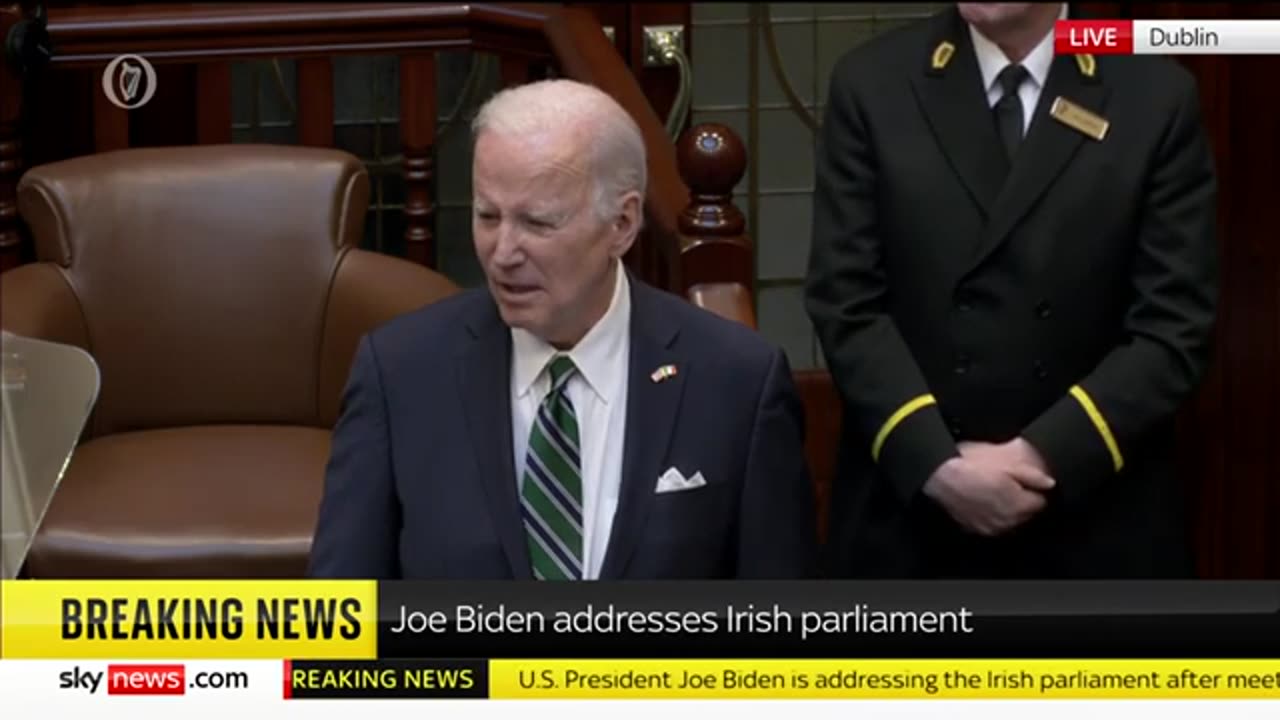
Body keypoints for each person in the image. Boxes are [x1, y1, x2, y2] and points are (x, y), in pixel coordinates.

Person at [309, 79, 817, 580]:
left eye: (538, 223)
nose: (503, 253)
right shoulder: (400, 373)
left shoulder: (737, 380)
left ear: (622, 223)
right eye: (488, 216)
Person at [807, 2, 1218, 578]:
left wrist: (1040, 457)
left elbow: (1174, 326)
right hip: (913, 514)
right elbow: (845, 303)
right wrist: (939, 465)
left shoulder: (1154, 96)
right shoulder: (873, 84)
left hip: (1091, 514)